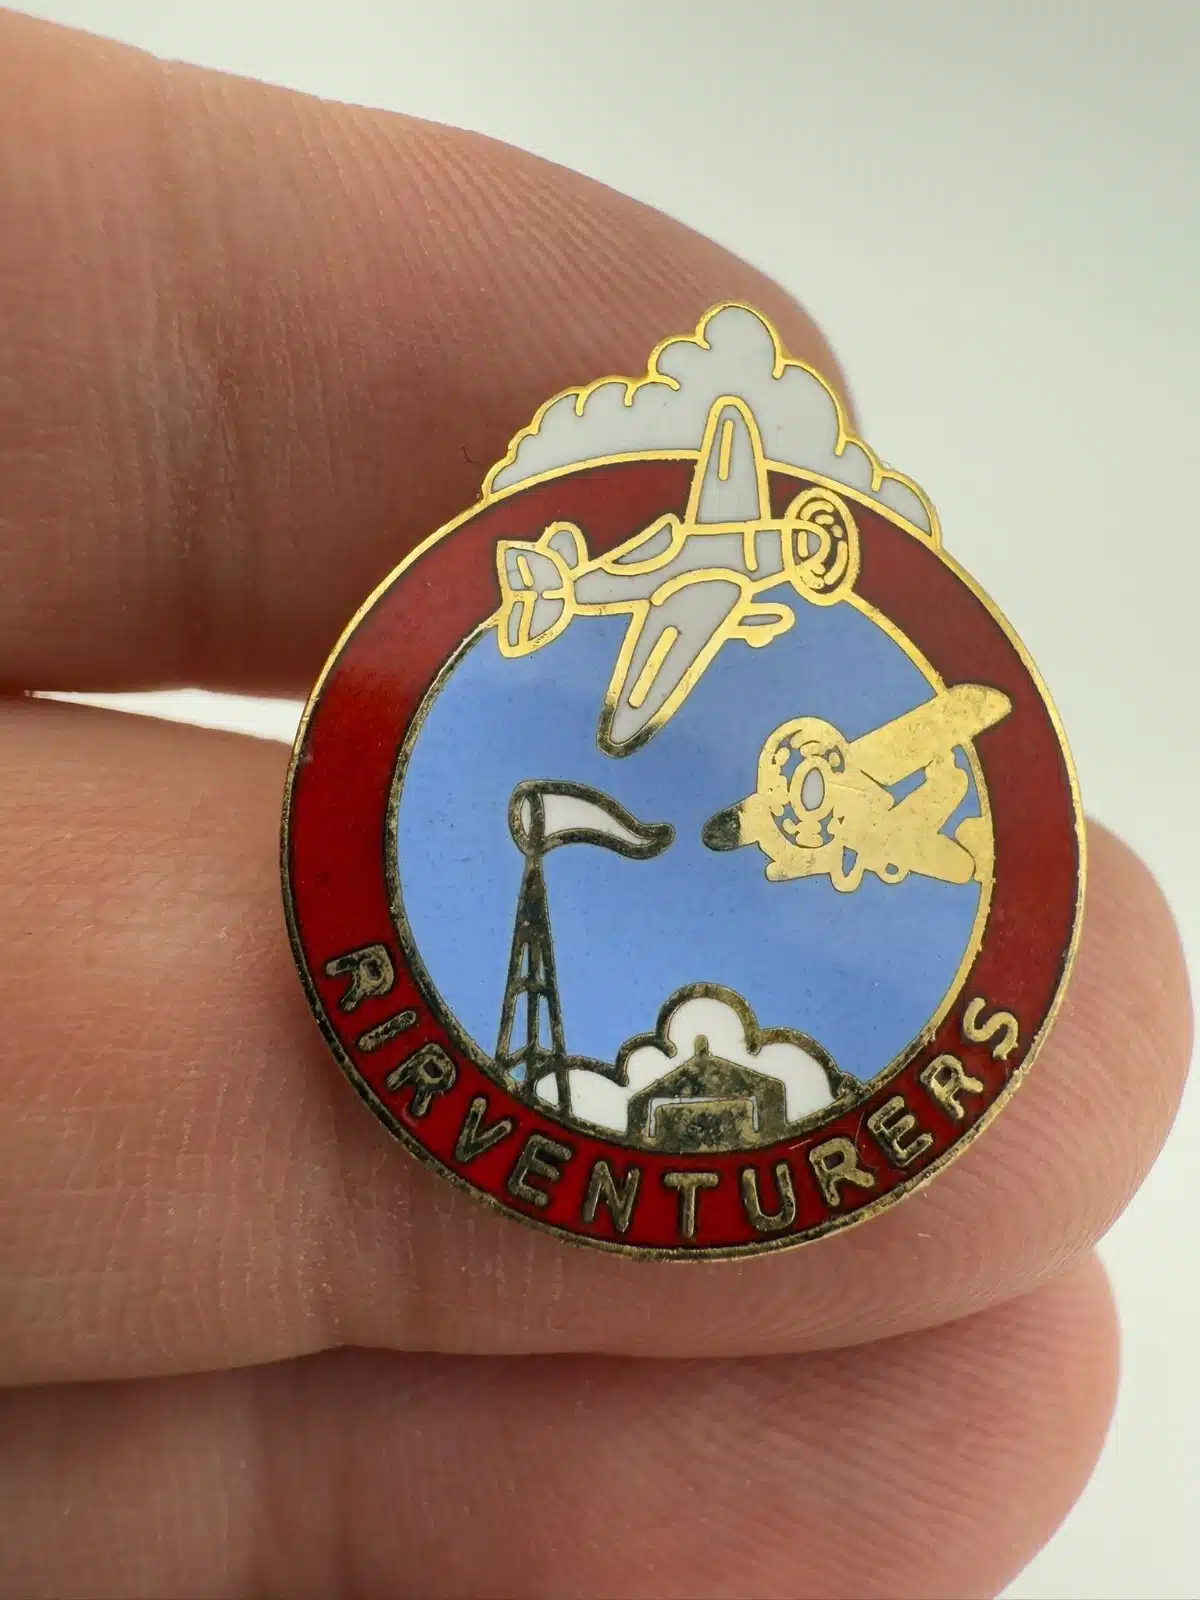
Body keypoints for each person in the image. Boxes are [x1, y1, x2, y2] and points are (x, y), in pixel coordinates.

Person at [0, 12, 1190, 1598]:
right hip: (643, 603)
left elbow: (820, 638)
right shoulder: (698, 570)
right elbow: (677, 656)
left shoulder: (765, 576)